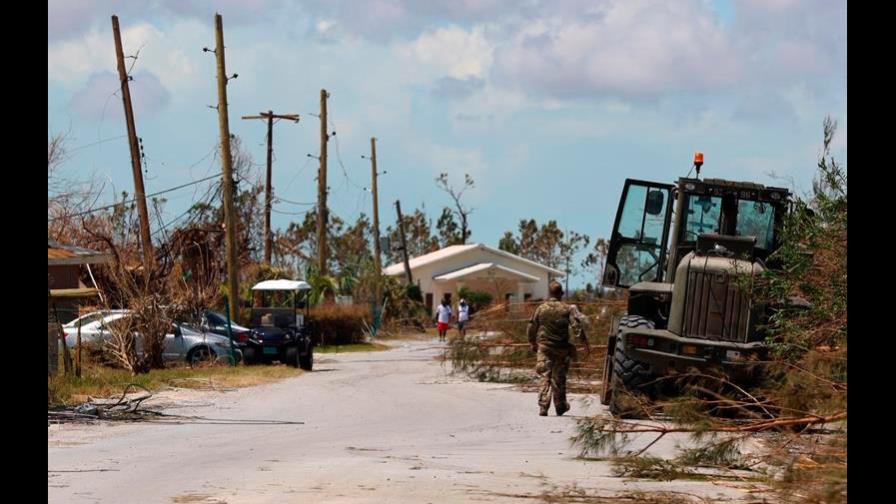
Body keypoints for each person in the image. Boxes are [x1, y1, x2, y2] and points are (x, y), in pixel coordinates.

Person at [526, 281, 590, 416]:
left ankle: (543, 406)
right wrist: (584, 344)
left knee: (545, 376)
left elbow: (532, 326)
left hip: (544, 348)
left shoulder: (541, 308)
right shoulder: (567, 309)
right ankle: (560, 405)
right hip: (561, 349)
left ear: (549, 293)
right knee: (559, 378)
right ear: (561, 293)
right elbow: (577, 327)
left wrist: (532, 342)